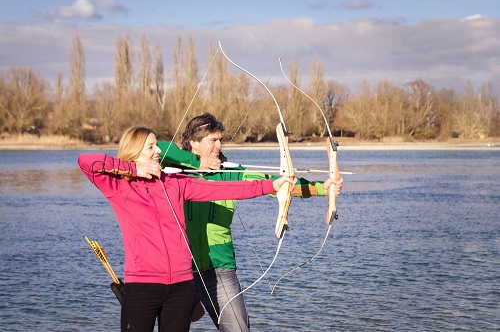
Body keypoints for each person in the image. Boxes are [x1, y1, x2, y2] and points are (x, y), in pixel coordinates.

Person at [77, 125, 296, 332]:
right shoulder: (118, 185)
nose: (159, 151)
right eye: (151, 146)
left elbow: (223, 189)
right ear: (134, 151)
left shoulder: (174, 182)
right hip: (142, 286)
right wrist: (135, 169)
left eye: (157, 145)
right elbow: (86, 161)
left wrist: (271, 185)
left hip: (182, 286)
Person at [158, 113, 343, 331]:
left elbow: (279, 184)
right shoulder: (173, 172)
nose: (219, 145)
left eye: (220, 139)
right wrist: (197, 163)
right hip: (179, 267)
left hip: (219, 267)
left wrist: (323, 188)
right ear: (193, 142)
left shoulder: (231, 173)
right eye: (212, 140)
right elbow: (145, 146)